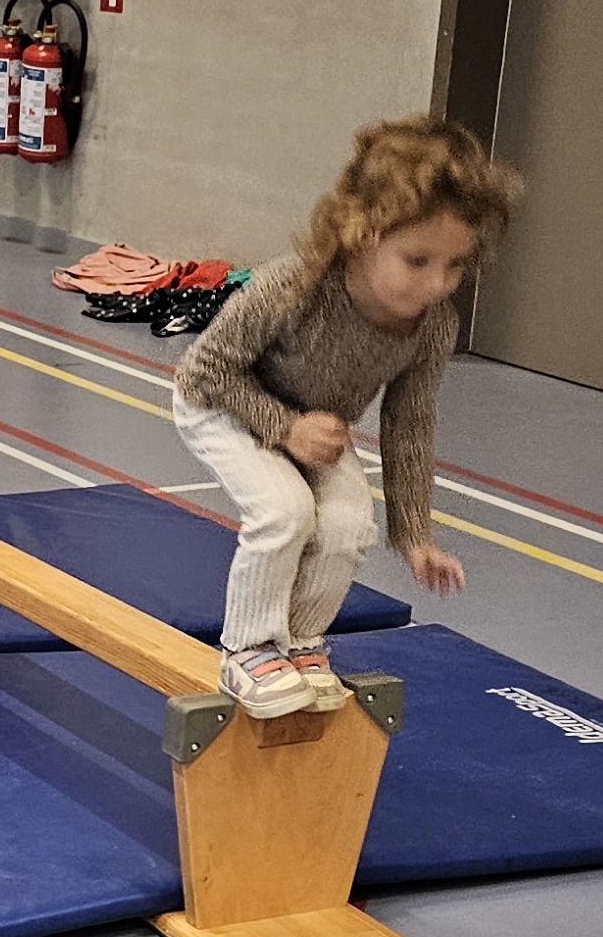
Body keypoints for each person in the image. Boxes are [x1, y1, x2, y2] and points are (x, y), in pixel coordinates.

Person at [171, 114, 523, 716]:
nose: (438, 284)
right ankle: (249, 649)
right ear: (361, 234)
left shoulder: (433, 325)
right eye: (418, 260)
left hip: (313, 428)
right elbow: (202, 372)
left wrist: (414, 533)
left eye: (456, 265)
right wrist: (285, 427)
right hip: (225, 406)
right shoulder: (293, 287)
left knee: (346, 528)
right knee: (284, 512)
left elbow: (409, 425)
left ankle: (300, 642)